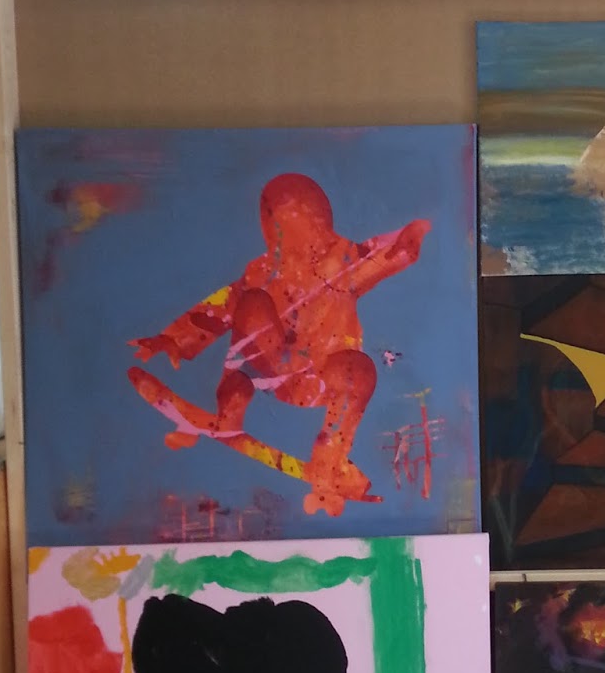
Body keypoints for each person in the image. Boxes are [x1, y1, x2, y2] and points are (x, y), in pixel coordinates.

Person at [130, 172, 428, 515]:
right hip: (271, 368)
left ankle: (330, 454)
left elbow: (381, 255)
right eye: (285, 235)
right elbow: (221, 307)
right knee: (252, 303)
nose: (298, 251)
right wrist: (173, 339)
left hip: (321, 377)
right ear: (271, 234)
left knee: (358, 370)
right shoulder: (261, 272)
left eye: (308, 232)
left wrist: (407, 241)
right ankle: (229, 413)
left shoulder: (343, 260)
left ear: (323, 228)